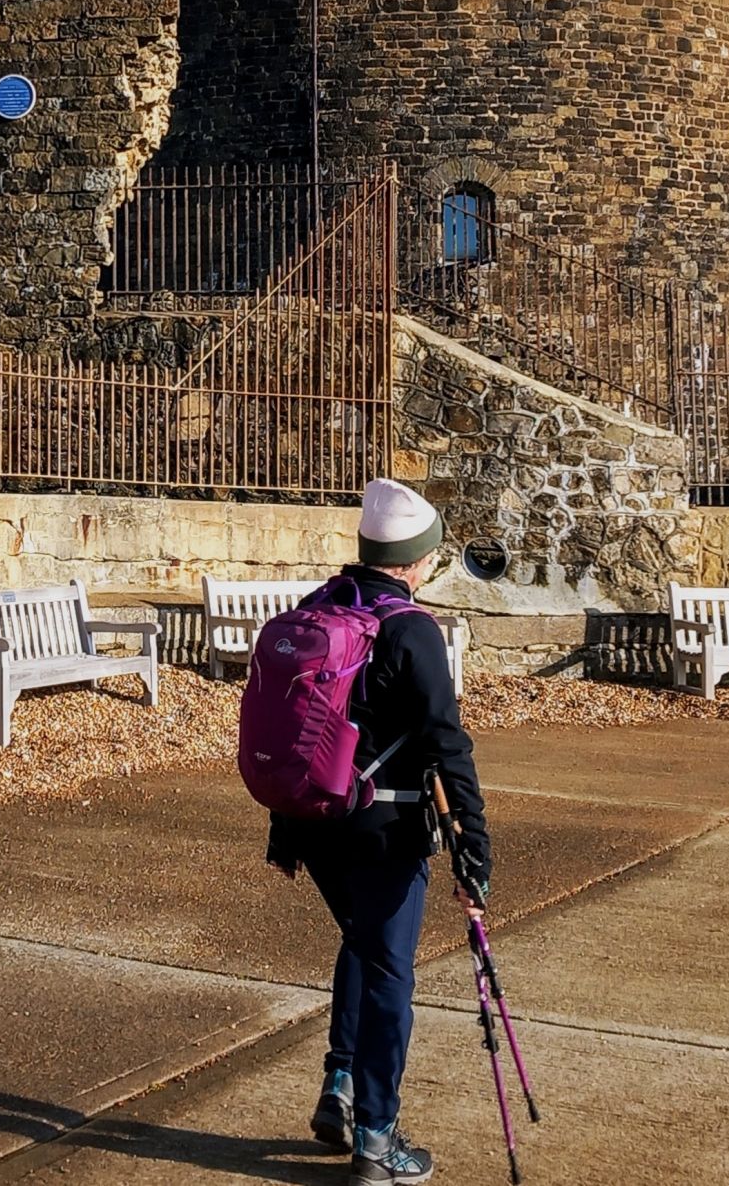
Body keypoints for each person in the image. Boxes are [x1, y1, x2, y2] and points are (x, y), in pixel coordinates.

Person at [266, 479, 492, 1186]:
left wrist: (284, 822)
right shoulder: (411, 628)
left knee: (361, 942)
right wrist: (474, 849)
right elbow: (447, 743)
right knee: (392, 972)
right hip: (385, 827)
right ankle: (375, 1138)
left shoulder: (319, 607)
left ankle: (338, 1087)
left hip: (312, 819)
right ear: (416, 562)